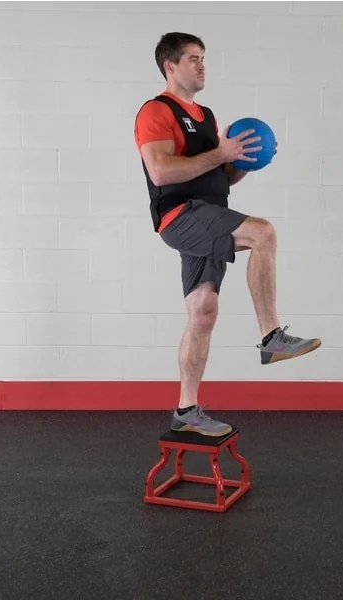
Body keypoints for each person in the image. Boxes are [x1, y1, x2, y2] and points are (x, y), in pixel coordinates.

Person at [133, 32, 321, 437]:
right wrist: (221, 152)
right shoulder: (156, 111)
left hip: (209, 214)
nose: (202, 66)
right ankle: (272, 337)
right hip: (181, 215)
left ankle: (186, 411)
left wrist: (244, 161)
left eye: (203, 58)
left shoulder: (207, 117)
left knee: (203, 310)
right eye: (193, 59)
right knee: (263, 233)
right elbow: (161, 172)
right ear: (170, 66)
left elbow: (219, 177)